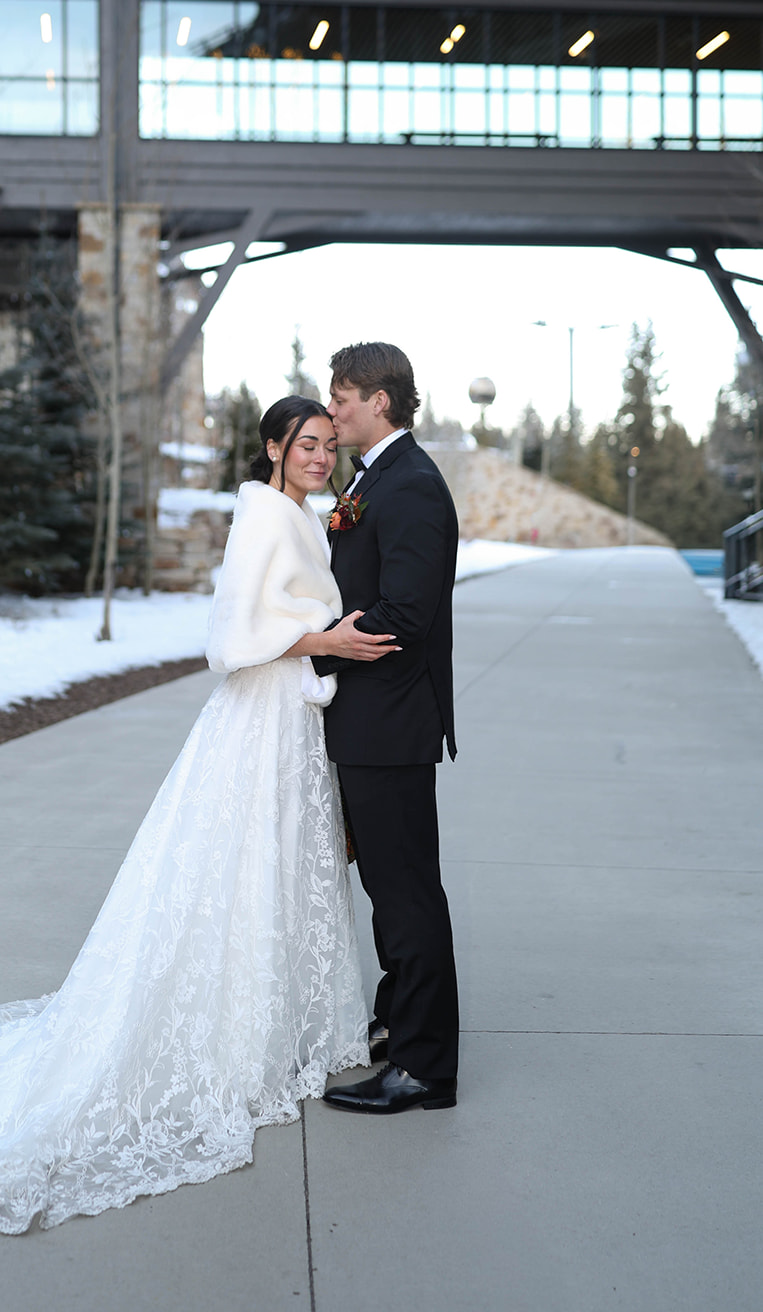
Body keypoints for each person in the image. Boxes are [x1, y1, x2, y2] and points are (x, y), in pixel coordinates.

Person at [0, 395, 397, 1235]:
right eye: (306, 445)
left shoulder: (300, 513)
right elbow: (227, 638)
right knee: (242, 863)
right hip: (260, 717)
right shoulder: (262, 516)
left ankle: (275, 1024)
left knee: (278, 866)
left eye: (328, 444)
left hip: (292, 717)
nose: (321, 456)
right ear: (272, 448)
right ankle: (230, 1038)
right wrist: (323, 642)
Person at [312, 342, 460, 1114]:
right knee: (389, 889)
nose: (332, 410)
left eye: (341, 396)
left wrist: (321, 643)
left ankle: (425, 1067)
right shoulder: (377, 478)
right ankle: (396, 1021)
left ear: (381, 400)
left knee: (404, 896)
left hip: (390, 722)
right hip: (371, 720)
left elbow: (404, 610)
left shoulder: (410, 486)